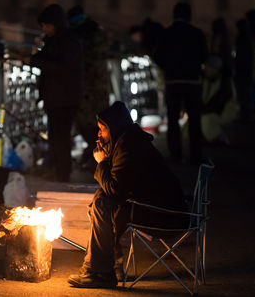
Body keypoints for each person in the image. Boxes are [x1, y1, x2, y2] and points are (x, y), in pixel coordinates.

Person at [67, 101, 188, 288]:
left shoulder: (128, 147)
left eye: (102, 129)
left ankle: (100, 272)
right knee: (102, 199)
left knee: (103, 204)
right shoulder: (128, 140)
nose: (98, 134)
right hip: (164, 210)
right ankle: (102, 269)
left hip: (166, 217)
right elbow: (118, 186)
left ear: (114, 128)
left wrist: (101, 163)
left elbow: (116, 191)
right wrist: (106, 160)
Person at [24, 4, 83, 182]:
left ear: (55, 23)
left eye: (46, 25)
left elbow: (62, 68)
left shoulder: (68, 41)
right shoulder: (55, 40)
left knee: (61, 138)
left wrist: (34, 61)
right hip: (56, 98)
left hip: (64, 99)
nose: (44, 29)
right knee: (56, 137)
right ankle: (59, 171)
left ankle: (63, 174)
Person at [153, 2, 208, 165]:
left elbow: (157, 56)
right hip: (192, 81)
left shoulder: (166, 33)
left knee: (173, 119)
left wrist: (167, 67)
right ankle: (195, 155)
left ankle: (176, 154)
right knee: (194, 120)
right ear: (189, 15)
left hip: (173, 81)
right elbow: (204, 55)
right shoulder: (197, 33)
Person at [67, 5, 110, 170]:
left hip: (87, 85)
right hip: (98, 85)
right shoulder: (95, 31)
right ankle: (97, 153)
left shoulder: (82, 35)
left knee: (86, 121)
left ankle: (97, 155)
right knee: (98, 122)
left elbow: (83, 59)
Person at [200, 55, 237, 145]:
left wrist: (202, 110)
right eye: (207, 66)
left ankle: (219, 137)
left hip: (222, 112)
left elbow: (219, 103)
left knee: (205, 120)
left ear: (216, 69)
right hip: (209, 111)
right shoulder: (204, 79)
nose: (207, 69)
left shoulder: (225, 82)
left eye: (210, 67)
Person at [234, 19, 255, 121]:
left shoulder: (242, 38)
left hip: (242, 69)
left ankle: (245, 114)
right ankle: (247, 113)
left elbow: (241, 56)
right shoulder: (248, 37)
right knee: (245, 93)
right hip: (246, 69)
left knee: (243, 93)